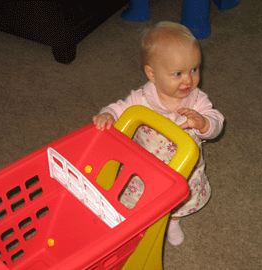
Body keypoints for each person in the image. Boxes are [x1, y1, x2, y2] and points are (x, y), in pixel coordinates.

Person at [93, 21, 224, 245]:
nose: (188, 80)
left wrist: (203, 123)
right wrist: (108, 115)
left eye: (194, 69)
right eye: (178, 73)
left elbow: (217, 123)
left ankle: (172, 221)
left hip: (184, 169)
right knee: (139, 200)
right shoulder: (142, 98)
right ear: (152, 74)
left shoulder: (197, 99)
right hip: (145, 168)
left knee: (178, 201)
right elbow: (119, 108)